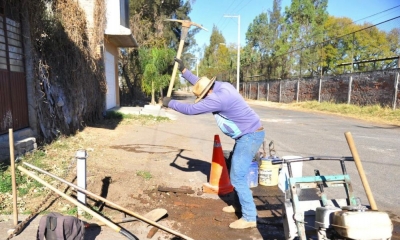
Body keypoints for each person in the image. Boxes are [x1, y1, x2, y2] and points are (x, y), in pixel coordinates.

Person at [163, 57, 265, 229]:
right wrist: (184, 71)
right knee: (235, 170)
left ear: (207, 93)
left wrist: (170, 103)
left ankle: (249, 217)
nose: (203, 99)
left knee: (237, 177)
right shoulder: (223, 86)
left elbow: (190, 110)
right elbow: (200, 83)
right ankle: (238, 206)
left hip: (250, 136)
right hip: (248, 134)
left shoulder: (216, 99)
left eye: (202, 96)